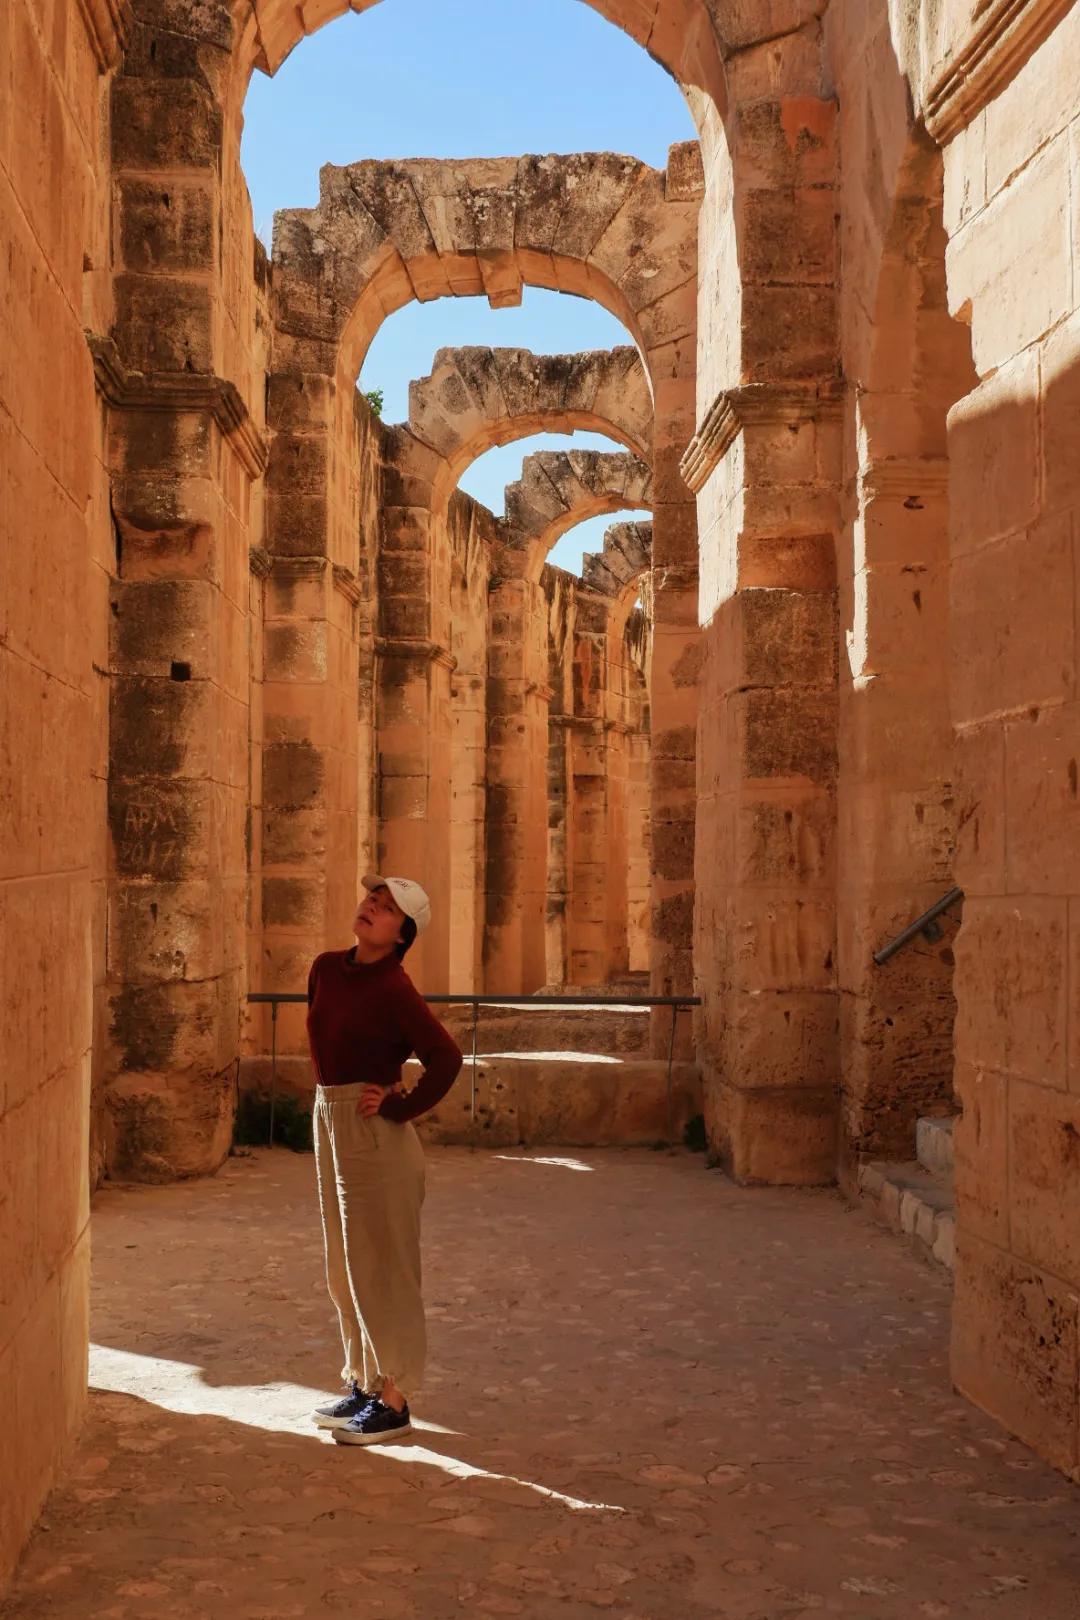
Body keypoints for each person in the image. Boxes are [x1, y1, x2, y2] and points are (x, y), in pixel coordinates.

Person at [305, 873, 463, 1446]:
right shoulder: (325, 967)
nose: (373, 905)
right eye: (373, 897)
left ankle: (394, 1401)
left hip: (375, 1134)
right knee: (346, 1264)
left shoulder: (396, 988)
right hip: (329, 1119)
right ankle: (366, 1383)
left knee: (385, 1267)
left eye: (389, 907)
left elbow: (446, 1059)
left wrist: (401, 1107)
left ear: (403, 934)